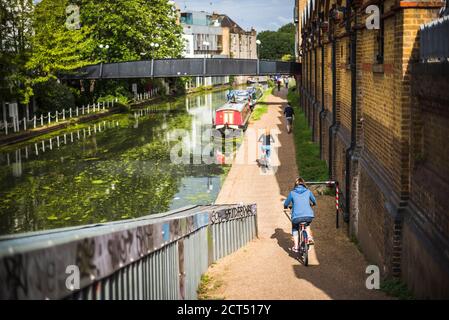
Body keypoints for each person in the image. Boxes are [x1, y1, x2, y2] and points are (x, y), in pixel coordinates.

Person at [284, 177, 317, 252]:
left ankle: (296, 246)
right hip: (308, 216)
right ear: (304, 184)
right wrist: (313, 204)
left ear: (295, 185)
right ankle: (309, 237)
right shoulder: (308, 191)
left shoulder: (292, 193)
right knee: (307, 225)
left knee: (295, 228)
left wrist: (285, 206)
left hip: (296, 217)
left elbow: (286, 203)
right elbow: (314, 200)